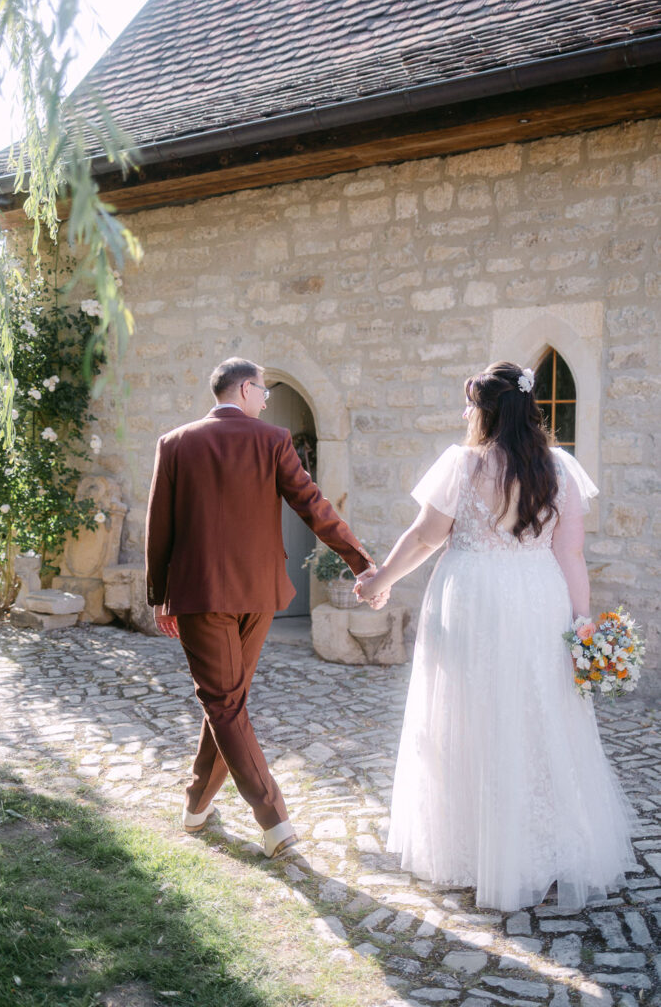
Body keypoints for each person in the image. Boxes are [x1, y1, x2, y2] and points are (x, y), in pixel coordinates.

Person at [355, 361, 635, 911]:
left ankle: (474, 850)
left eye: (471, 406)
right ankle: (544, 847)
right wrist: (582, 624)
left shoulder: (463, 464)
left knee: (471, 713)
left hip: (473, 598)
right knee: (538, 713)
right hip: (538, 598)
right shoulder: (558, 467)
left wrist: (381, 578)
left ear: (485, 412)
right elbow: (571, 553)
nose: (466, 415)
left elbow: (425, 537)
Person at [145, 357, 377, 858]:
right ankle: (202, 807)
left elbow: (158, 526)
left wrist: (160, 595)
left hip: (200, 594)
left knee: (224, 704)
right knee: (227, 703)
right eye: (265, 391)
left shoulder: (175, 443)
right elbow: (314, 506)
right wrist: (359, 562)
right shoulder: (272, 440)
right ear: (245, 389)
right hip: (259, 593)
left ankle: (273, 823)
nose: (267, 401)